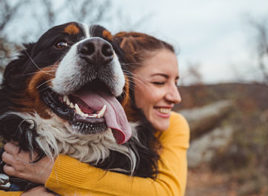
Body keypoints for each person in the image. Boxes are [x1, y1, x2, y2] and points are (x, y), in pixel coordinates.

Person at [1, 32, 190, 196]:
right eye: (159, 82)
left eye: (176, 82)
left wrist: (52, 172)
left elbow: (167, 192)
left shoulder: (174, 124)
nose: (176, 97)